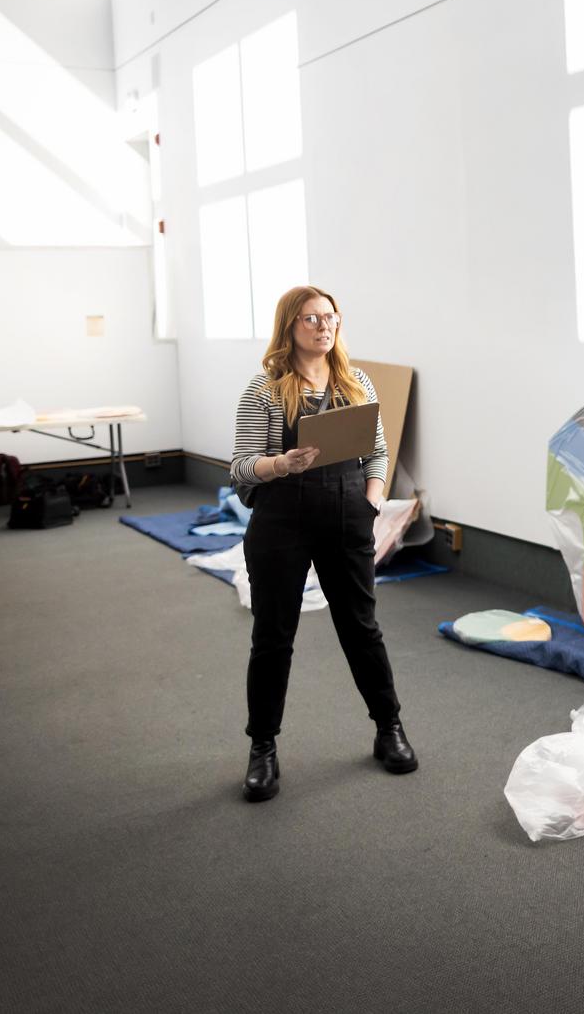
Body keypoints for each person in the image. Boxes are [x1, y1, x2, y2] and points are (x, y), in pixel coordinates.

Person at [229, 285, 414, 802]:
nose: (323, 327)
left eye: (329, 317)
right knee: (273, 637)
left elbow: (377, 453)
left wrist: (372, 501)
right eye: (311, 319)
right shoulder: (265, 390)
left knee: (361, 627)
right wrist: (280, 464)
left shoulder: (356, 381)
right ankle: (262, 749)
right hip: (281, 520)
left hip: (346, 515)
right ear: (289, 326)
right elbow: (240, 467)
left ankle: (389, 728)